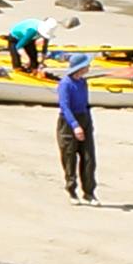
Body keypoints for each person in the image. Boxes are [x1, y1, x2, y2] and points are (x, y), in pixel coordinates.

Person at [54, 52, 96, 201]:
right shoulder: (65, 84)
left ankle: (89, 193)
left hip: (84, 118)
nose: (89, 66)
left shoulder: (83, 82)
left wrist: (87, 124)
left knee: (89, 157)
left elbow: (85, 104)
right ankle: (72, 190)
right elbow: (65, 107)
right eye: (87, 64)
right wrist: (75, 125)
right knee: (69, 156)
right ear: (80, 67)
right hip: (68, 122)